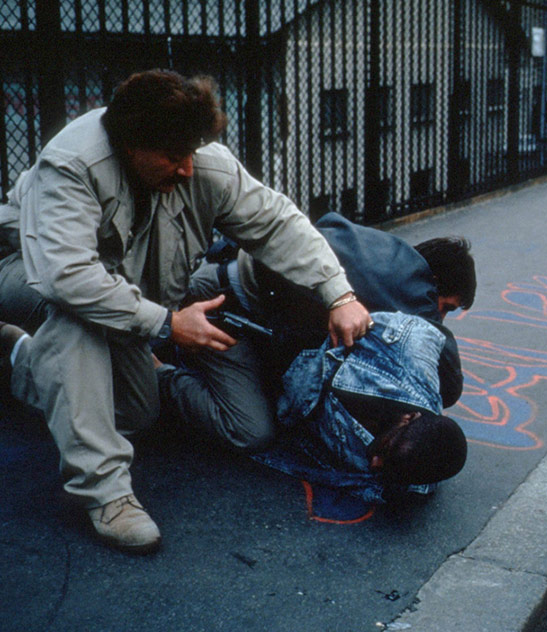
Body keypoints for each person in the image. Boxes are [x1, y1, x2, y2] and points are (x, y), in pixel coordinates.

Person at [0, 70, 372, 554]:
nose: (188, 169)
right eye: (174, 157)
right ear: (131, 146)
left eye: (191, 153)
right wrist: (168, 323)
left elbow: (278, 223)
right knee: (77, 322)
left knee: (136, 411)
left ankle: (19, 354)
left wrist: (338, 293)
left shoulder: (200, 164)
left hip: (120, 299)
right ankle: (106, 494)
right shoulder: (71, 164)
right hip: (23, 273)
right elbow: (65, 278)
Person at [155, 213, 476, 490]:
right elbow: (449, 385)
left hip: (245, 291)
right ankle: (158, 372)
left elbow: (326, 221)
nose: (440, 320)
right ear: (433, 283)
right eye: (445, 308)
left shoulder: (388, 257)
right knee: (251, 430)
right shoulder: (411, 306)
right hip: (221, 304)